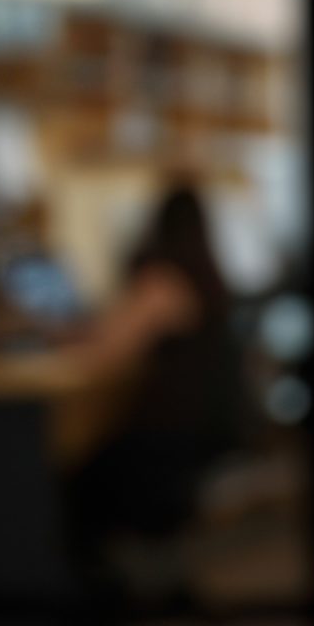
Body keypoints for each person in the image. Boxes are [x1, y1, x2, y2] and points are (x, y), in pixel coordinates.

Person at [68, 182, 247, 572]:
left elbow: (104, 353)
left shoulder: (163, 282)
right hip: (202, 441)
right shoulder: (207, 281)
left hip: (169, 449)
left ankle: (94, 608)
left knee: (72, 478)